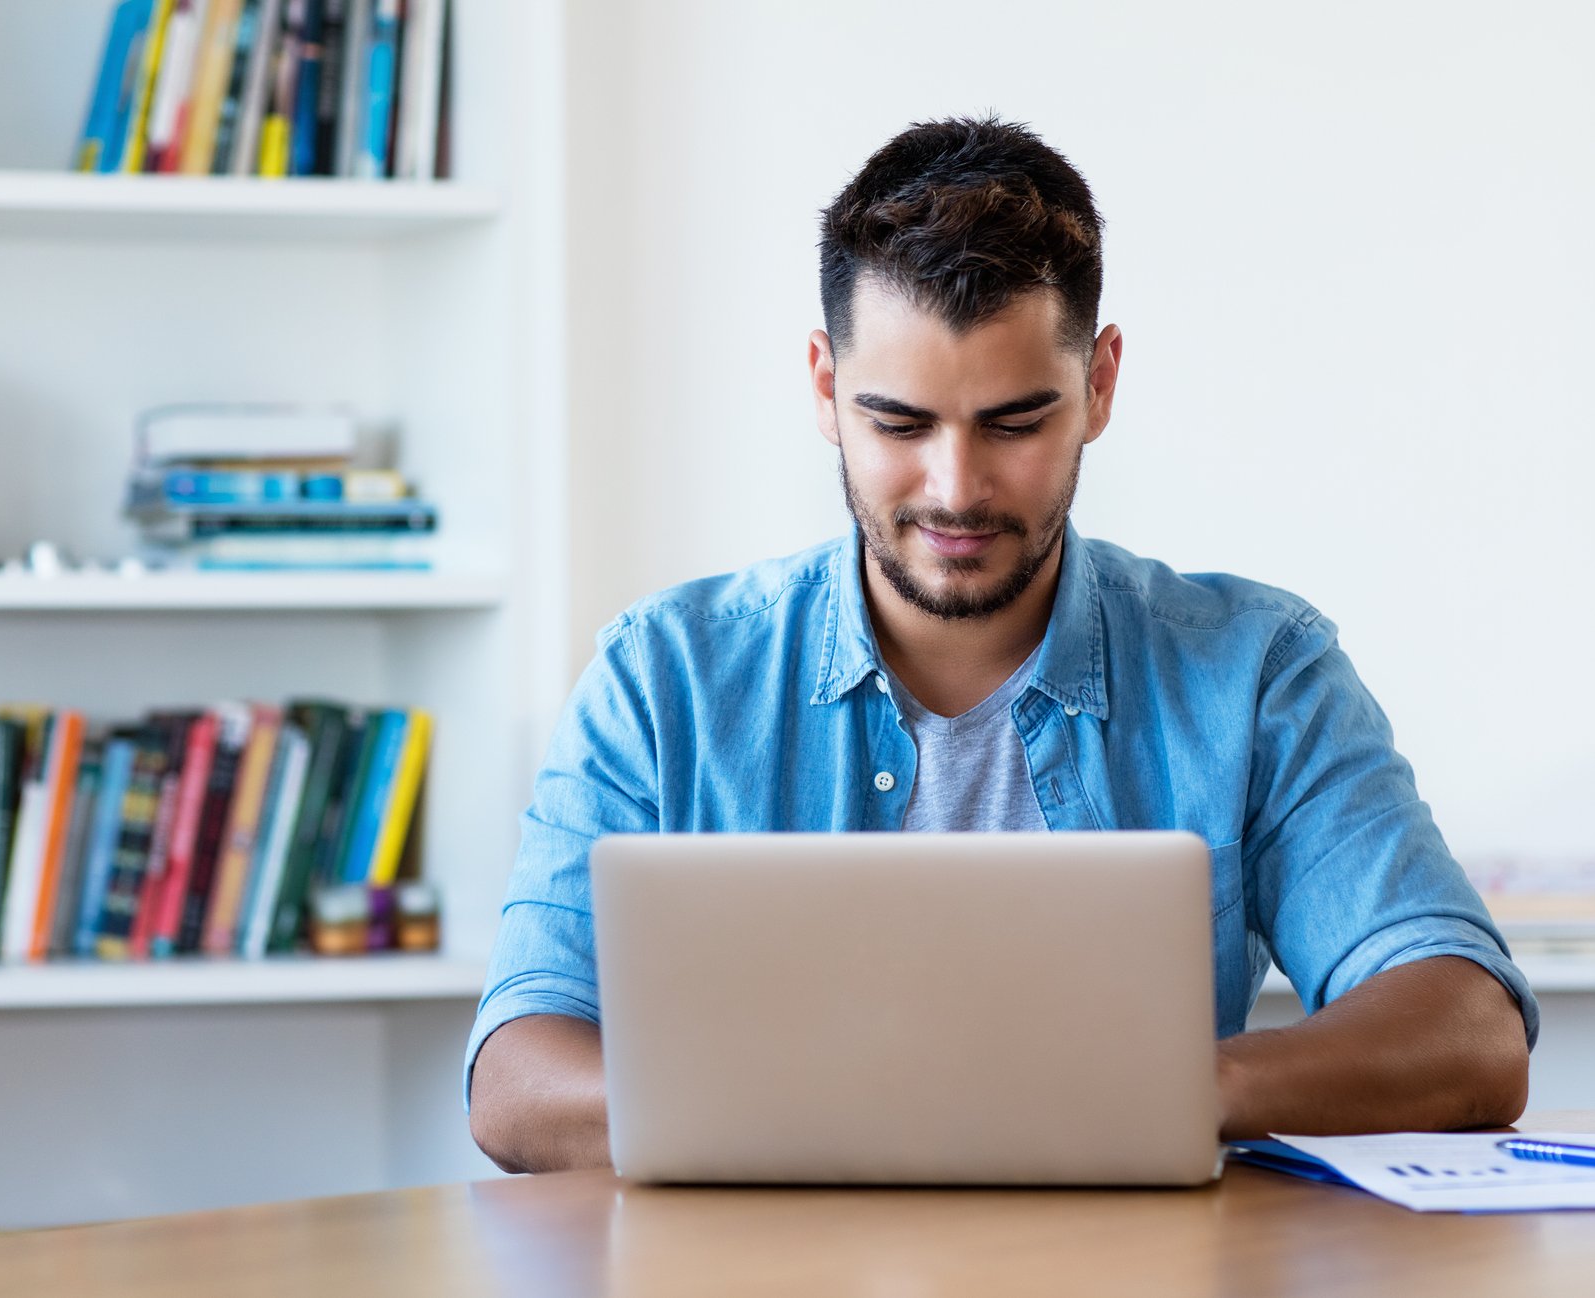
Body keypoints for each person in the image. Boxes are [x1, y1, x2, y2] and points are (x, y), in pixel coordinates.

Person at [466, 116, 1535, 1176]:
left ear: (1098, 383)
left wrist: (1160, 1088)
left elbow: (1467, 1033)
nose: (954, 488)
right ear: (823, 385)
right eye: (898, 422)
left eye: (1014, 423)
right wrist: (841, 1108)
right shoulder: (662, 679)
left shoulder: (1257, 672)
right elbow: (513, 1081)